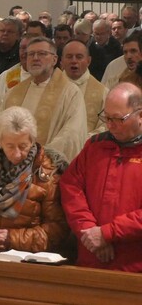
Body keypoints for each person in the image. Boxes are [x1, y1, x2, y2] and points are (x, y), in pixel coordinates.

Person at [0, 106, 69, 255]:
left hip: (26, 263)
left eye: (23, 146)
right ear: (0, 142)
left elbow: (57, 229)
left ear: (33, 141)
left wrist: (10, 239)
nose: (17, 154)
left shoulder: (46, 175)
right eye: (10, 146)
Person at [60, 82, 142, 272]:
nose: (110, 125)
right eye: (106, 117)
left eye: (118, 119)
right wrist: (89, 231)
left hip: (134, 266)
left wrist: (107, 233)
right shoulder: (95, 146)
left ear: (140, 116)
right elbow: (71, 187)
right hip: (91, 259)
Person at [3, 37, 87, 161]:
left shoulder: (70, 92)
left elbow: (72, 134)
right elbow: (1, 129)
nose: (35, 58)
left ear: (54, 60)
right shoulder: (13, 93)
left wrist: (38, 156)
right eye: (31, 54)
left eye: (42, 53)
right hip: (13, 165)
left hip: (47, 168)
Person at [62, 40, 107, 136]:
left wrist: (83, 140)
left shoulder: (102, 92)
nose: (74, 61)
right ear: (61, 61)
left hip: (86, 146)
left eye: (79, 57)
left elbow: (106, 124)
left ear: (88, 61)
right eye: (69, 57)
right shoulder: (50, 86)